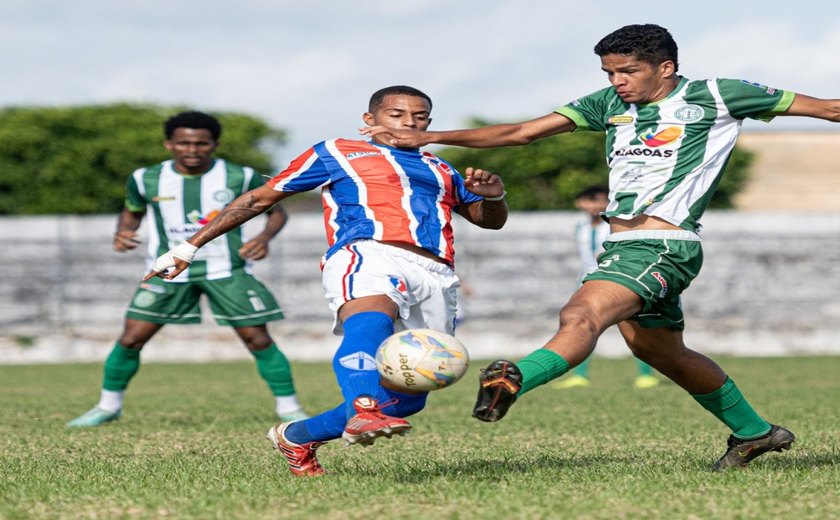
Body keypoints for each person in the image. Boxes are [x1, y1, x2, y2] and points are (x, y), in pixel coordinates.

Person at [362, 24, 840, 470]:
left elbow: (828, 108)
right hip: (622, 246)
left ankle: (513, 378)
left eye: (627, 71)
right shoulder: (608, 104)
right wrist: (431, 138)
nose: (618, 81)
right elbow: (521, 133)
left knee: (581, 315)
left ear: (665, 68)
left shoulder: (716, 95)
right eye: (610, 72)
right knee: (661, 352)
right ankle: (755, 432)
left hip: (664, 243)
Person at [143, 86, 508, 476]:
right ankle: (363, 408)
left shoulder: (440, 167)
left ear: (429, 123)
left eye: (419, 117)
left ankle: (297, 436)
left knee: (408, 400)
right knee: (370, 320)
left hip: (436, 273)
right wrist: (188, 248)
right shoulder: (337, 151)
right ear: (370, 120)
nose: (409, 123)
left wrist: (493, 197)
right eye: (397, 115)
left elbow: (490, 220)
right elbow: (261, 198)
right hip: (368, 251)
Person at [68, 111, 308, 427]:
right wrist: (122, 232)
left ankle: (289, 409)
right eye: (184, 143)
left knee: (258, 339)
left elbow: (276, 213)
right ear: (170, 144)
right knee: (131, 338)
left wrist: (264, 238)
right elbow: (132, 211)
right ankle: (107, 406)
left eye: (200, 143)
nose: (192, 150)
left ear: (214, 144)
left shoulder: (241, 176)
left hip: (226, 269)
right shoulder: (145, 178)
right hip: (167, 270)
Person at [551, 184, 659, 389]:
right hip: (586, 280)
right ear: (580, 203)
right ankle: (580, 374)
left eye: (601, 200)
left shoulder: (613, 225)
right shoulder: (579, 228)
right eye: (591, 200)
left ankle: (646, 374)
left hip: (615, 279)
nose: (596, 205)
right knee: (580, 327)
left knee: (635, 327)